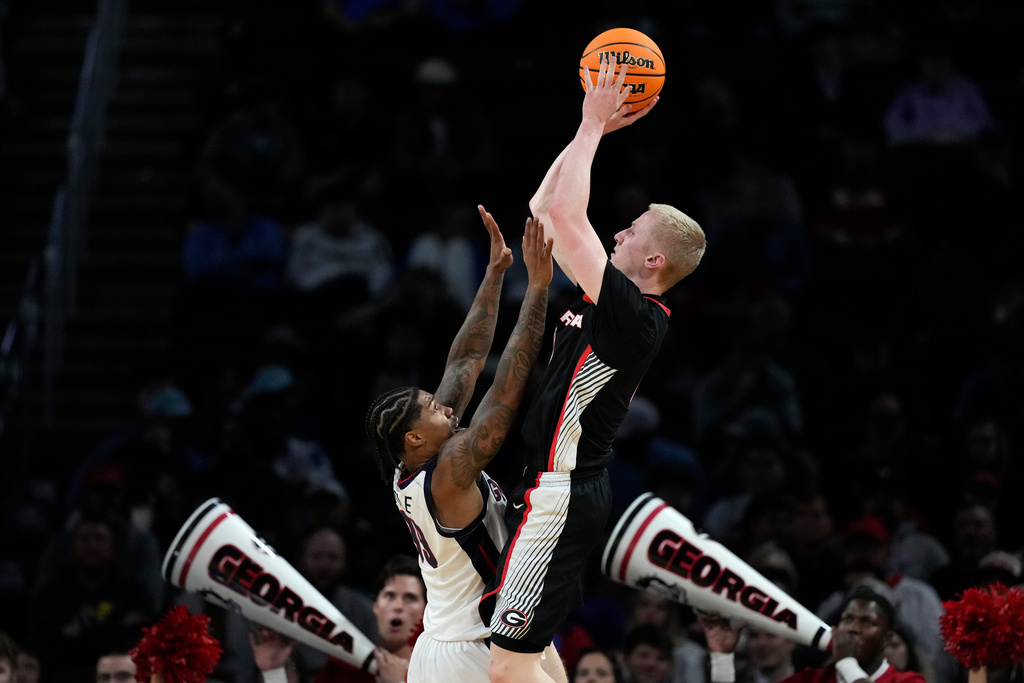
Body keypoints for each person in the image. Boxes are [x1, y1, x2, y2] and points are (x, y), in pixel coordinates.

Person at [485, 55, 706, 683]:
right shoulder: (605, 300)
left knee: (505, 667)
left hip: (564, 492)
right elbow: (544, 203)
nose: (617, 234)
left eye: (632, 231)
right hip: (546, 486)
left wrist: (590, 124)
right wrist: (595, 132)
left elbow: (565, 217)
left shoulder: (637, 319)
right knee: (526, 655)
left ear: (655, 258)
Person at [364, 205, 557, 682]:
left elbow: (466, 361)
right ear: (414, 436)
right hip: (468, 649)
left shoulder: (410, 462)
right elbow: (506, 394)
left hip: (450, 641)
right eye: (433, 409)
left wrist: (493, 277)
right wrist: (536, 289)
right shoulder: (447, 470)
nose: (446, 408)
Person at [700, 586, 928, 683]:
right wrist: (722, 658)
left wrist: (847, 662)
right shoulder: (811, 679)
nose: (853, 628)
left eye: (867, 622)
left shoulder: (908, 681)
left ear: (886, 639)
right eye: (847, 619)